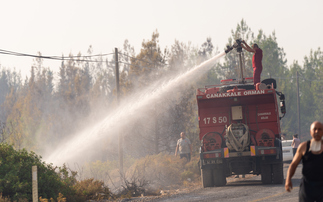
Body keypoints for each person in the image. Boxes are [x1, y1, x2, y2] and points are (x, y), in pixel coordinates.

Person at [285, 121, 323, 201]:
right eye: (314, 129)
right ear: (310, 131)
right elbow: (293, 164)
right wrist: (288, 179)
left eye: (320, 129)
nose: (317, 132)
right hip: (307, 186)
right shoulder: (303, 147)